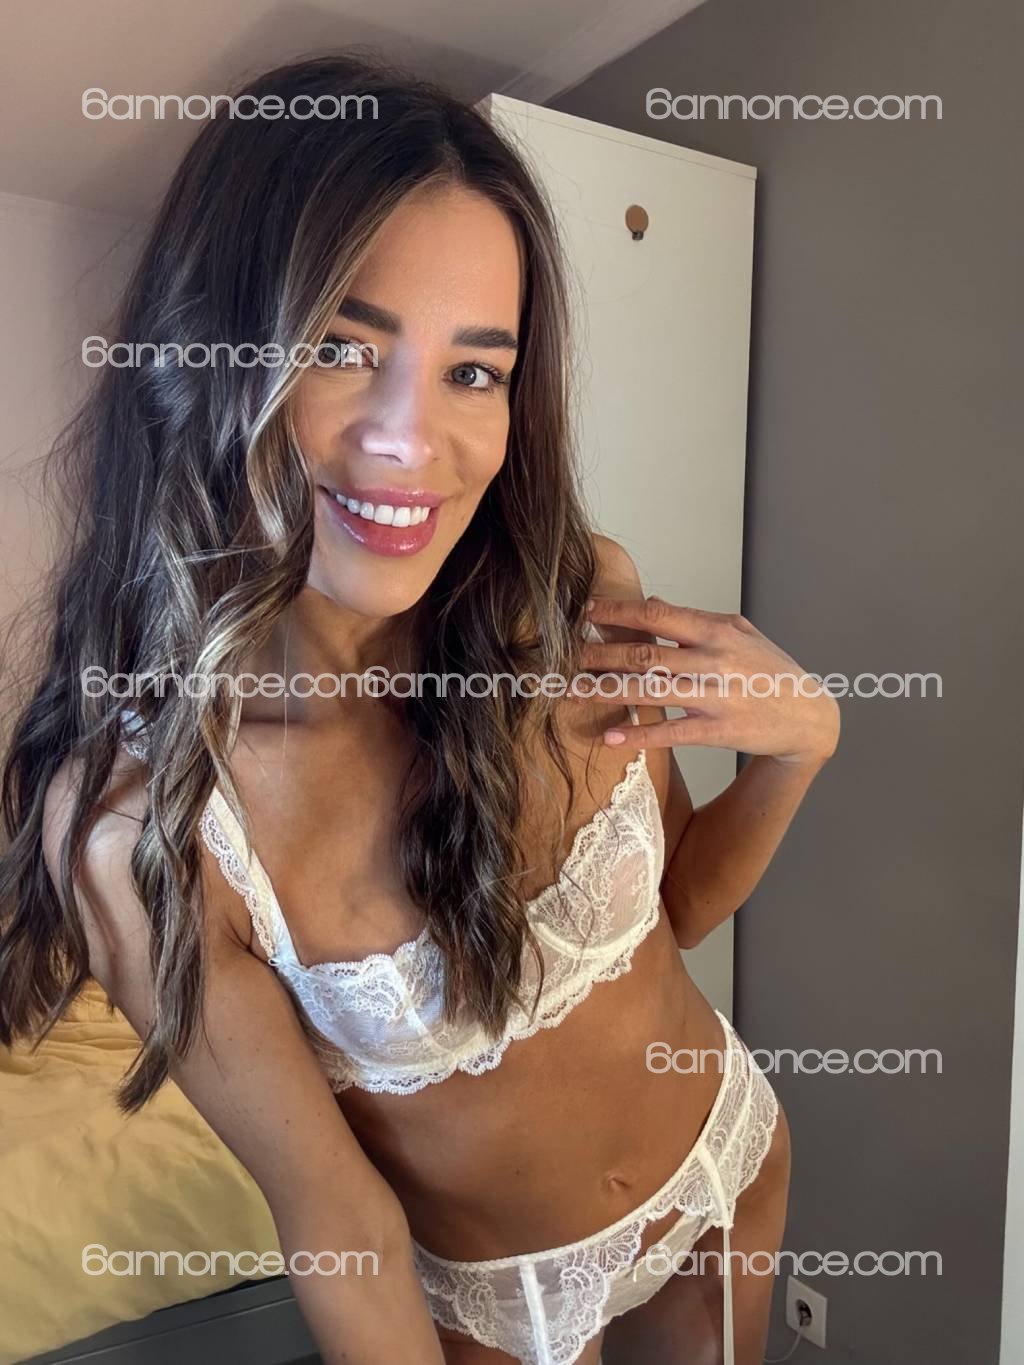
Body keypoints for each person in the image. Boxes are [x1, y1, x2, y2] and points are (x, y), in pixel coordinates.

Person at [0, 51, 838, 1364]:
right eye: (343, 348)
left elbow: (669, 913)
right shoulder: (144, 820)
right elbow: (341, 1222)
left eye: (475, 372)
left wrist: (798, 755)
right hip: (500, 1300)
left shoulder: (574, 599)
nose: (410, 444)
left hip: (724, 1172)